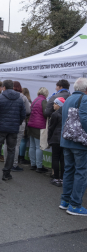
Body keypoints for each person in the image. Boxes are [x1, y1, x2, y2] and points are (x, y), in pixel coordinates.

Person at [59, 78, 87, 216]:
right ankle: (75, 205)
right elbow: (85, 119)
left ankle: (65, 201)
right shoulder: (85, 99)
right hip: (79, 143)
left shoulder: (69, 99)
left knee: (69, 170)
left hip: (67, 141)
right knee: (81, 172)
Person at [0, 80, 26, 181]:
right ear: (12, 87)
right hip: (13, 129)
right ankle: (6, 173)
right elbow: (23, 114)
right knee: (11, 150)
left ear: (3, 87)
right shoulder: (19, 98)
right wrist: (17, 123)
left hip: (0, 128)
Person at [3, 81, 30, 172]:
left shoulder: (3, 96)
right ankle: (14, 164)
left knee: (6, 143)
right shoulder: (23, 97)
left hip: (6, 123)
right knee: (16, 145)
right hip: (18, 123)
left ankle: (6, 163)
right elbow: (27, 111)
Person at [28, 87, 49, 173]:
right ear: (46, 93)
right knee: (39, 147)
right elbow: (45, 113)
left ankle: (33, 164)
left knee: (32, 146)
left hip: (31, 124)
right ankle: (39, 166)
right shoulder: (44, 101)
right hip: (39, 126)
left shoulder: (35, 100)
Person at [48, 97, 65, 187]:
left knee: (55, 158)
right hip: (64, 139)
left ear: (59, 105)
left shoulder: (55, 114)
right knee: (63, 159)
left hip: (55, 138)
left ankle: (56, 177)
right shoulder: (66, 113)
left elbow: (51, 128)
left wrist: (49, 138)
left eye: (55, 103)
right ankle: (62, 178)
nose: (53, 105)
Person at [19, 87, 32, 164]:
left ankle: (18, 157)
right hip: (26, 122)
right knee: (23, 140)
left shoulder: (19, 99)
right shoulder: (29, 101)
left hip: (21, 121)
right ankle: (21, 157)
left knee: (20, 141)